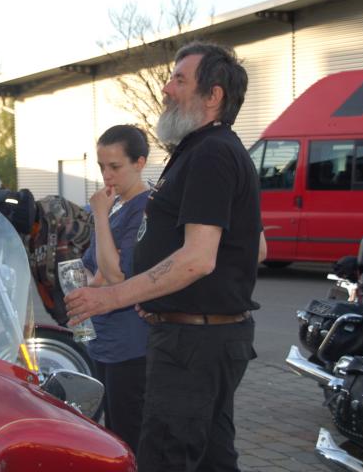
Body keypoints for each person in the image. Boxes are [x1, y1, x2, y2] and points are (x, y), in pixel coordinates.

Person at [66, 41, 267, 471]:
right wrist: (161, 295)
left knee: (165, 458)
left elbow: (197, 259)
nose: (166, 88)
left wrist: (111, 297)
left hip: (193, 346)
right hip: (201, 338)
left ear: (213, 95)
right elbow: (253, 246)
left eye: (179, 80)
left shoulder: (212, 153)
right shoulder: (200, 150)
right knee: (213, 461)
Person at [81, 124, 150, 453]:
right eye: (101, 167)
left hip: (130, 345)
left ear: (140, 163)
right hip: (103, 339)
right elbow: (91, 269)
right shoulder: (117, 205)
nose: (107, 176)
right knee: (109, 432)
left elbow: (115, 274)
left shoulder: (143, 209)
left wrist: (99, 214)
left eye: (115, 166)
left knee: (127, 436)